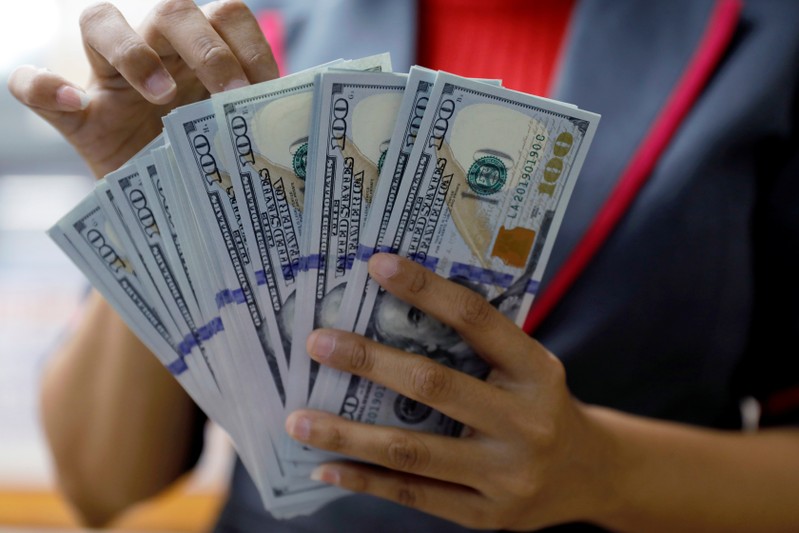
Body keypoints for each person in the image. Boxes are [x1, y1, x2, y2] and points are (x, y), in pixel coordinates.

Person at [9, 0, 799, 531]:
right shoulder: (253, 39)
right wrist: (170, 201)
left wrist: (602, 468)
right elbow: (101, 480)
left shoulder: (773, 42)